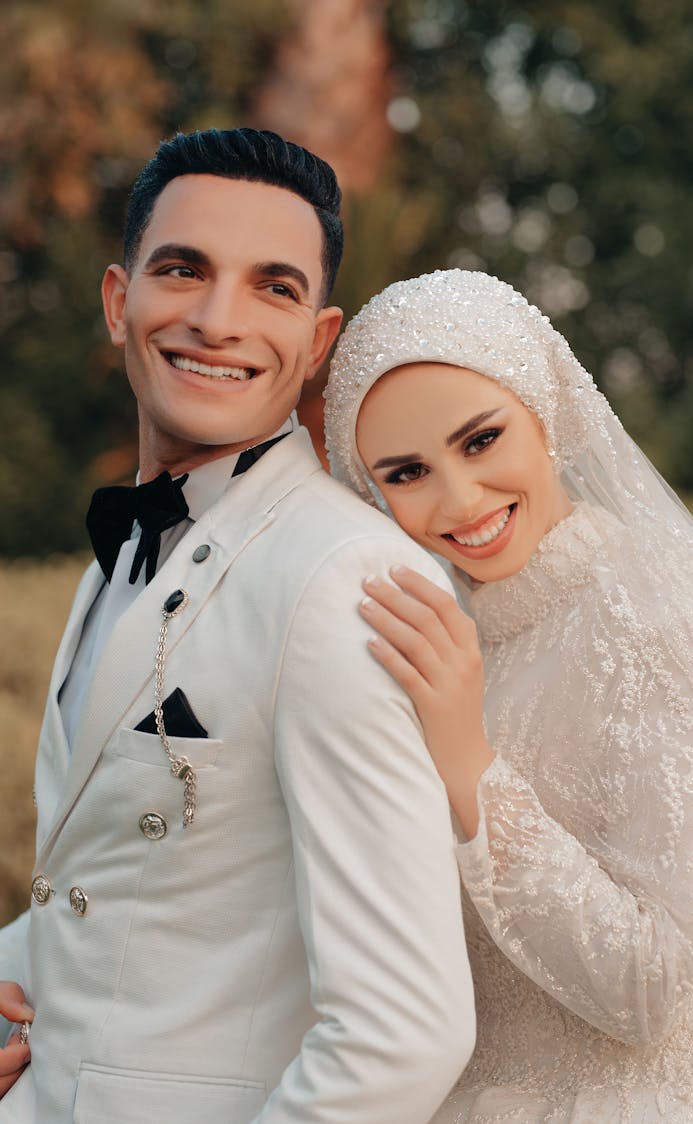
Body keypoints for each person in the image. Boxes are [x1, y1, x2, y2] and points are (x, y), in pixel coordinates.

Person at [0, 134, 476, 1122]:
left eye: (273, 287)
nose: (218, 321)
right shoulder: (118, 560)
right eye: (184, 270)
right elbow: (111, 884)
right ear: (117, 299)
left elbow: (404, 1029)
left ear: (318, 338)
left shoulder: (348, 580)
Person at [323, 268, 693, 1122]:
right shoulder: (455, 635)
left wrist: (470, 766)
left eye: (480, 440)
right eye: (405, 473)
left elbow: (650, 985)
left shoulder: (657, 626)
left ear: (545, 412)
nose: (459, 499)